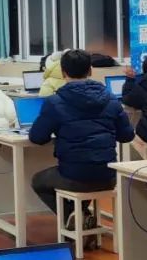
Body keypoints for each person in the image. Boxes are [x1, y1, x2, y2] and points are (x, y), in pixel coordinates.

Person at [29, 49, 134, 231]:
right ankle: (80, 216)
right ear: (90, 71)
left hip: (74, 175)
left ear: (63, 72)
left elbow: (37, 138)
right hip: (108, 175)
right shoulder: (111, 99)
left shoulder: (55, 102)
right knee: (86, 174)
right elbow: (127, 136)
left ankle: (74, 216)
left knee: (38, 181)